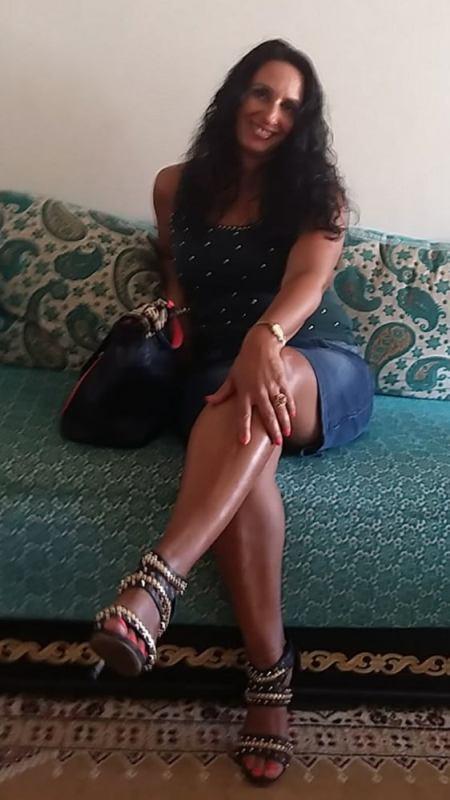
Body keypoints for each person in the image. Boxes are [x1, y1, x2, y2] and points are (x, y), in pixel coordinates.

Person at [91, 39, 375, 786]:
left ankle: (156, 585)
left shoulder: (319, 196)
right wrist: (176, 324)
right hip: (220, 372)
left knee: (259, 387)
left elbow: (308, 282)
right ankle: (270, 673)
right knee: (242, 441)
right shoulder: (175, 185)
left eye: (290, 106)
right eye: (261, 94)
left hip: (315, 361)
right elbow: (176, 270)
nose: (272, 114)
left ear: (304, 122)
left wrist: (265, 337)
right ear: (234, 96)